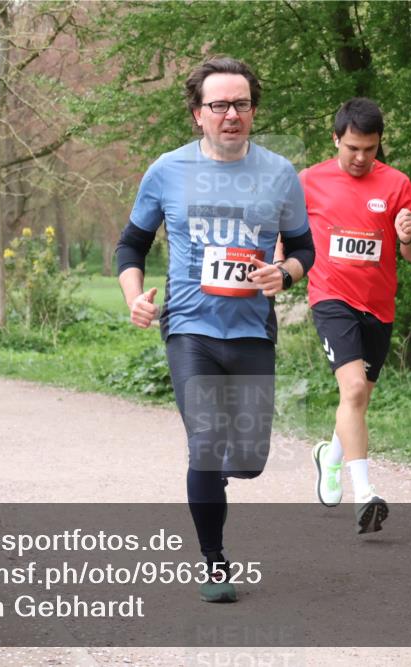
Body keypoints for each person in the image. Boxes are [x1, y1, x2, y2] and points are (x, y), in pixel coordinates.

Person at [116, 56, 314, 603]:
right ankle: (214, 562)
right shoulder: (167, 171)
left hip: (251, 330)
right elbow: (130, 246)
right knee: (204, 444)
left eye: (242, 104)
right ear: (197, 114)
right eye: (219, 105)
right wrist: (135, 299)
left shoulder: (279, 173)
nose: (231, 114)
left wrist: (286, 273)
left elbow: (304, 249)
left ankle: (221, 473)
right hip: (189, 328)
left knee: (246, 460)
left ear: (253, 110)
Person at [300, 98, 411, 534]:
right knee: (352, 389)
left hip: (379, 305)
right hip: (331, 298)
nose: (359, 157)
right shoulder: (309, 182)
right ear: (335, 139)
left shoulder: (397, 185)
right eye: (352, 147)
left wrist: (407, 237)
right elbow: (288, 236)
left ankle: (328, 457)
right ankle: (365, 492)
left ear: (379, 145)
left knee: (359, 399)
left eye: (369, 149)